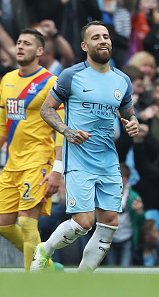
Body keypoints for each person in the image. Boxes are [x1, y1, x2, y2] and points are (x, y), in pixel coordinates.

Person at [33, 21, 140, 272]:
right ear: (84, 45)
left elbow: (129, 114)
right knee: (83, 223)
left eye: (106, 36)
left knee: (110, 222)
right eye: (96, 38)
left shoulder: (122, 80)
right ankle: (44, 250)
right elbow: (46, 109)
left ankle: (81, 282)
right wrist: (67, 131)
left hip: (109, 160)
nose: (103, 41)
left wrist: (133, 124)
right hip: (79, 159)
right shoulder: (71, 75)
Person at [0, 28, 63, 271]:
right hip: (11, 162)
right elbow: (2, 123)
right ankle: (45, 264)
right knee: (3, 225)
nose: (20, 46)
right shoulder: (8, 80)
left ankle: (33, 283)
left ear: (40, 51)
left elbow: (60, 129)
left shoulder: (51, 83)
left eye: (26, 43)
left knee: (27, 224)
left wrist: (57, 169)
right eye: (18, 42)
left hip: (39, 160)